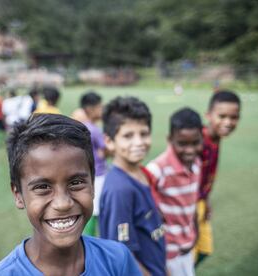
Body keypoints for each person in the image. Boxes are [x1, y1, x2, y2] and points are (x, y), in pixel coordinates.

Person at [0, 114, 142, 275]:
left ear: (92, 184)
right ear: (18, 195)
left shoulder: (117, 260)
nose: (63, 204)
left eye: (76, 183)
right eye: (42, 187)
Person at [99, 96, 167, 276]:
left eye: (143, 133)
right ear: (109, 141)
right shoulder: (120, 189)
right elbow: (123, 254)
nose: (138, 142)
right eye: (128, 136)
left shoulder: (141, 173)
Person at [146, 107, 203, 276]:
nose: (190, 150)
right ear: (170, 139)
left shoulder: (197, 164)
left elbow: (190, 205)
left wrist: (195, 232)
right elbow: (143, 211)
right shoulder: (157, 169)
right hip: (167, 252)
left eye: (195, 142)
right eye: (182, 143)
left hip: (188, 246)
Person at [194, 90, 241, 266]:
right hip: (188, 206)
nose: (228, 122)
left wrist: (206, 200)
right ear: (208, 115)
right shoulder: (197, 141)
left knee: (205, 250)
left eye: (234, 117)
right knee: (184, 256)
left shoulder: (216, 138)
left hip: (201, 202)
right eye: (222, 116)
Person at [79, 91, 107, 236]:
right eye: (100, 107)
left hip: (89, 173)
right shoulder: (95, 130)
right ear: (90, 109)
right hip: (99, 174)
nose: (102, 110)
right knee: (97, 211)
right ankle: (91, 241)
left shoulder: (82, 127)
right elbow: (103, 152)